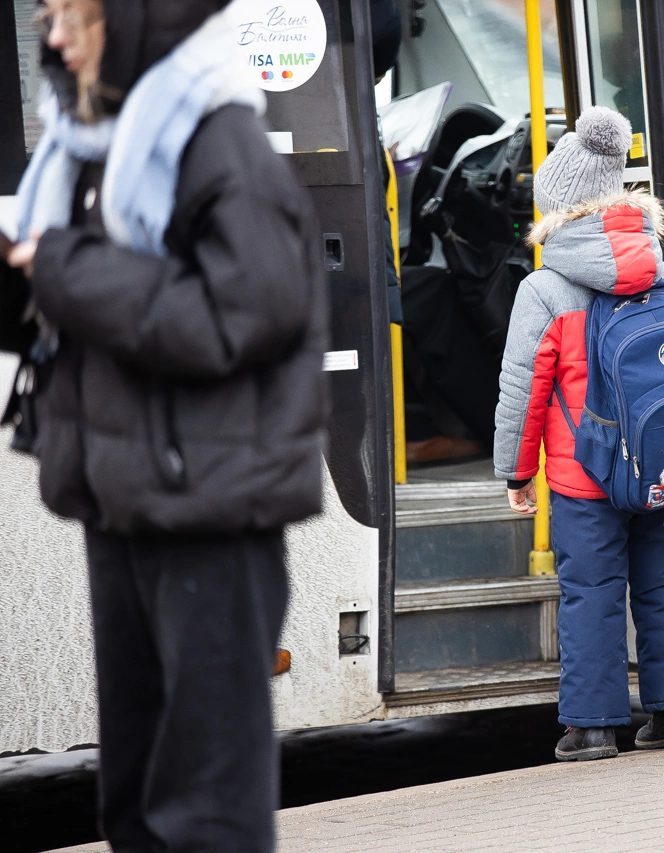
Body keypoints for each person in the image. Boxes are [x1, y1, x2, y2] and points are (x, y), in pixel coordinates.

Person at [3, 1, 327, 850]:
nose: (54, 38)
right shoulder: (91, 147)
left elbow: (244, 314)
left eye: (73, 16)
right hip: (127, 498)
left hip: (207, 508)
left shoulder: (218, 140)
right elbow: (94, 310)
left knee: (204, 809)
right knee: (140, 803)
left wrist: (63, 268)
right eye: (47, 15)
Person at [494, 106, 664, 761]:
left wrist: (517, 472)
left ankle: (591, 727)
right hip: (659, 466)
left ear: (557, 207)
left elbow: (523, 391)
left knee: (591, 594)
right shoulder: (663, 274)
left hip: (583, 477)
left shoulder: (544, 289)